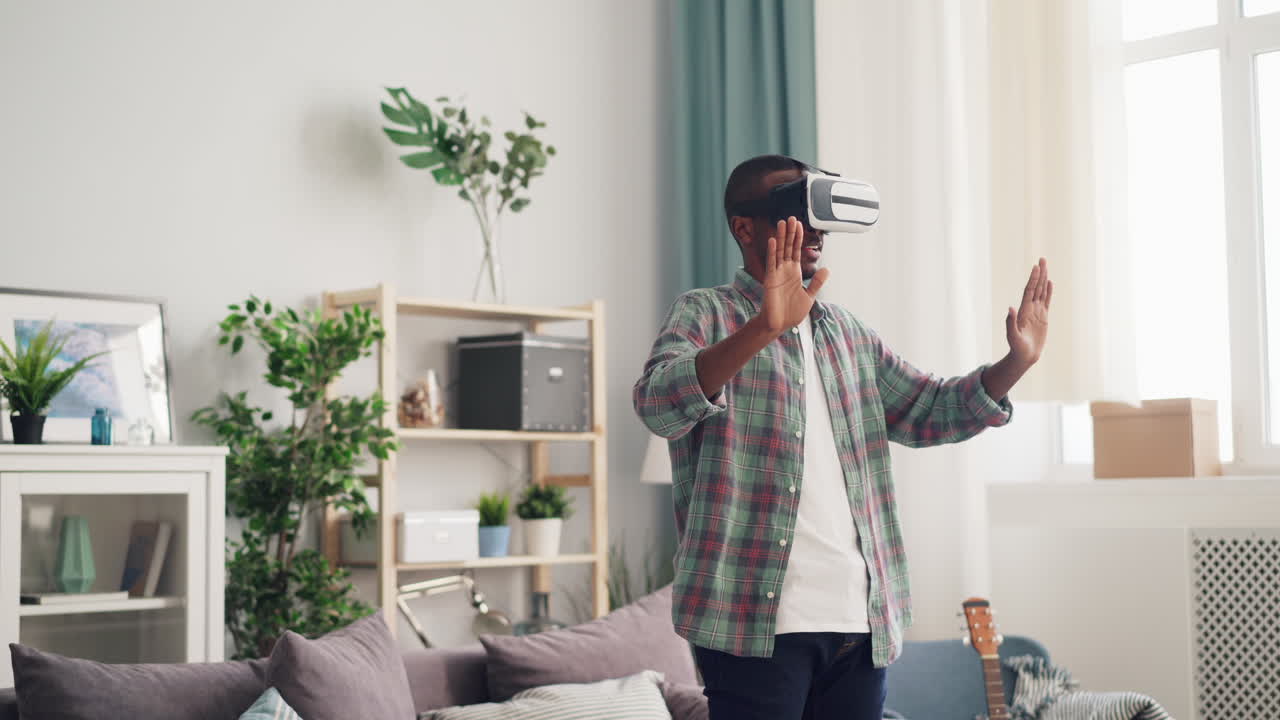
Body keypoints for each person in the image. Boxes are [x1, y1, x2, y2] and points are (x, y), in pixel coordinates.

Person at [632, 154, 1051, 720]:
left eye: (819, 207)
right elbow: (658, 405)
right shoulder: (706, 312)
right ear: (745, 227)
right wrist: (764, 327)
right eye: (796, 206)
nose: (817, 226)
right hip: (751, 625)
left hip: (861, 623)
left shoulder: (848, 334)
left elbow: (931, 408)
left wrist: (1014, 364)